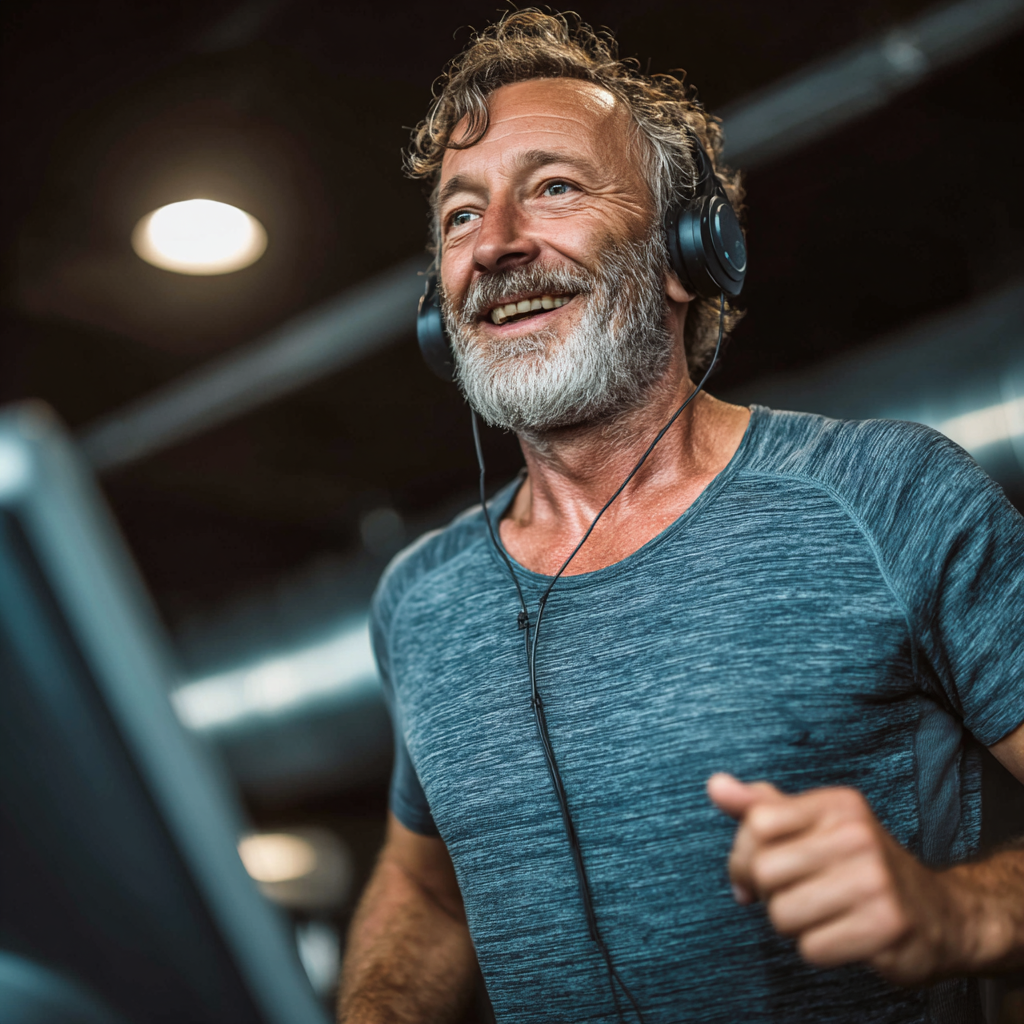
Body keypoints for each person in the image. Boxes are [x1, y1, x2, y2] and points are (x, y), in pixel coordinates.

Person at [337, 11, 1024, 1023]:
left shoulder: (889, 493)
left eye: (554, 187)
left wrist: (960, 916)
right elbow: (429, 887)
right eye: (459, 214)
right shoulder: (421, 599)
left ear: (684, 254)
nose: (497, 245)